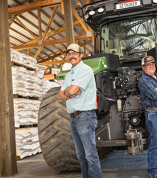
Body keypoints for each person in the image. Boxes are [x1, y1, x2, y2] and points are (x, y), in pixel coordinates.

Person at [57, 43, 102, 178]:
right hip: (73, 118)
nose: (71, 56)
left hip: (85, 116)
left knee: (90, 155)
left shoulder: (86, 70)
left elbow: (70, 90)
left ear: (81, 55)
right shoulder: (69, 74)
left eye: (74, 53)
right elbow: (60, 96)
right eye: (69, 53)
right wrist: (71, 92)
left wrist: (70, 91)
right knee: (81, 156)